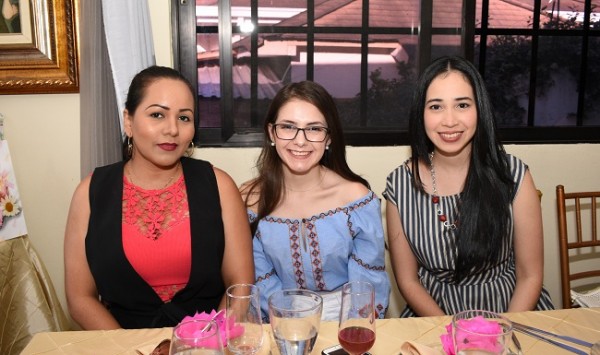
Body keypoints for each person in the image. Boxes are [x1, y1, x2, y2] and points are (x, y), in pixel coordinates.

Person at [64, 65, 254, 329]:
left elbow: (240, 288)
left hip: (207, 344)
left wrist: (206, 343)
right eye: (157, 115)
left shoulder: (219, 185)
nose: (172, 129)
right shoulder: (91, 192)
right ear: (128, 121)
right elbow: (79, 299)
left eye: (184, 118)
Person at [383, 56, 554, 317]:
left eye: (462, 105)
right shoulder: (400, 185)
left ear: (479, 109)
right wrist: (452, 334)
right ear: (421, 113)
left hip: (510, 314)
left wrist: (498, 335)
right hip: (434, 317)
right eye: (436, 107)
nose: (449, 121)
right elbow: (408, 281)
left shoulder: (513, 175)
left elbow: (530, 277)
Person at [241, 81, 390, 321]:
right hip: (278, 322)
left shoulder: (356, 201)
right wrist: (290, 330)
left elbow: (367, 284)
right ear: (271, 133)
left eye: (314, 129)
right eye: (288, 127)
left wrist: (353, 334)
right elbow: (261, 281)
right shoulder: (250, 200)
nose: (300, 141)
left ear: (329, 138)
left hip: (346, 321)